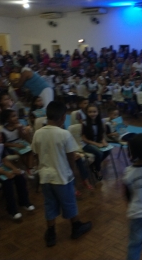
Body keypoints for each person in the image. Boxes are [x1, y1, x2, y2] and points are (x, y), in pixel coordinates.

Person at [31, 101, 92, 247]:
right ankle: (76, 227)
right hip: (62, 176)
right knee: (69, 202)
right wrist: (72, 171)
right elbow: (71, 156)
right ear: (64, 117)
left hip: (45, 176)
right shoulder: (64, 134)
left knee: (49, 204)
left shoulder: (38, 133)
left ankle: (51, 233)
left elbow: (36, 155)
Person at [0, 127, 35, 219]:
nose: (0, 136)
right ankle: (12, 210)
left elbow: (5, 161)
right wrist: (6, 173)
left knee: (20, 176)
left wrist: (15, 169)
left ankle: (24, 202)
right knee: (7, 182)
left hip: (0, 168)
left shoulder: (0, 146)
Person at [0, 109, 36, 178]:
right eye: (13, 116)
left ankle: (29, 168)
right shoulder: (3, 131)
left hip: (20, 143)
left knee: (31, 150)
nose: (16, 117)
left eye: (16, 115)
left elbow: (22, 137)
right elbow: (3, 143)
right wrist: (15, 145)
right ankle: (28, 169)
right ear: (7, 119)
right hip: (11, 146)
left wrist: (20, 129)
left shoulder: (18, 126)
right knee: (23, 153)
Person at [82, 104, 110, 181]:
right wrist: (96, 144)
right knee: (99, 153)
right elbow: (84, 138)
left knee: (108, 150)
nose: (92, 114)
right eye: (90, 112)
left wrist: (104, 142)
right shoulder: (85, 123)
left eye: (94, 112)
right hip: (87, 144)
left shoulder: (100, 122)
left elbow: (101, 135)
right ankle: (97, 170)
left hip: (97, 142)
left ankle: (93, 165)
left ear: (98, 112)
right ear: (86, 113)